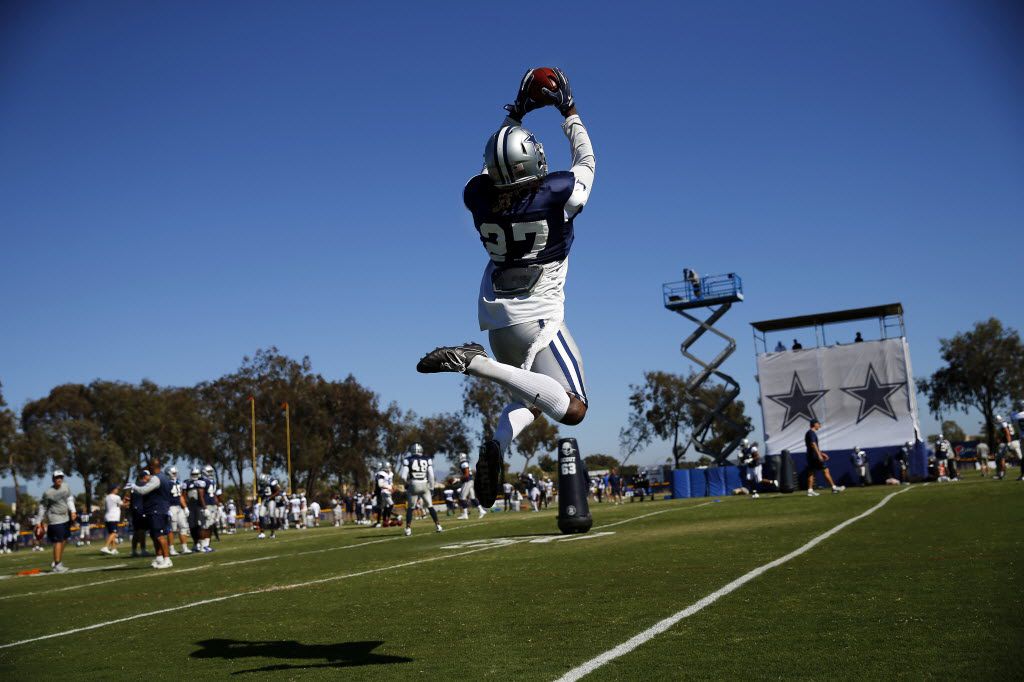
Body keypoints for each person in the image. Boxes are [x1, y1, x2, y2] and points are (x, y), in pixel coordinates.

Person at [416, 67, 594, 510]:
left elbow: (488, 164)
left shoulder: (477, 197)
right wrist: (568, 111)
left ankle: (497, 443)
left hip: (497, 319)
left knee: (531, 401)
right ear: (533, 162)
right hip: (540, 320)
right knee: (573, 408)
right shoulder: (556, 192)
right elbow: (587, 162)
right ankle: (474, 364)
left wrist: (514, 116)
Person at [131, 457, 175, 569]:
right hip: (159, 509)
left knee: (159, 535)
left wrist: (133, 486)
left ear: (151, 467)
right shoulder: (164, 477)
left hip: (157, 509)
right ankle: (159, 558)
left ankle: (167, 559)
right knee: (155, 535)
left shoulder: (156, 478)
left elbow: (143, 490)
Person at [35, 469, 76, 572]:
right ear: (53, 479)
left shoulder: (66, 486)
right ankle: (57, 564)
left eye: (61, 477)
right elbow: (42, 507)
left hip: (66, 517)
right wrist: (38, 522)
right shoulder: (48, 493)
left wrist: (73, 511)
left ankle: (57, 561)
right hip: (55, 518)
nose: (59, 479)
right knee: (58, 541)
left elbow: (69, 498)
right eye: (57, 477)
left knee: (65, 540)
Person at [400, 443, 443, 536]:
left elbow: (403, 476)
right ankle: (438, 525)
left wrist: (406, 484)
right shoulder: (427, 459)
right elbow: (431, 475)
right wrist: (431, 488)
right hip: (424, 483)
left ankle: (408, 528)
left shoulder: (408, 460)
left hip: (414, 483)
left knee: (411, 508)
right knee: (430, 506)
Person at [804, 419, 844, 496]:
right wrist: (819, 455)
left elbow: (812, 446)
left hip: (810, 456)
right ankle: (834, 487)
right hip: (815, 457)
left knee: (811, 473)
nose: (820, 425)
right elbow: (813, 444)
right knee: (826, 470)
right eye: (818, 424)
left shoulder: (809, 433)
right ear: (814, 424)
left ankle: (810, 490)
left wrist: (821, 453)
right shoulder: (811, 433)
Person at [166, 466, 192, 555]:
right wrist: (167, 508)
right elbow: (164, 498)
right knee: (172, 529)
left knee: (184, 527)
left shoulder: (177, 482)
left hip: (179, 507)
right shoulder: (166, 484)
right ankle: (171, 549)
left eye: (176, 473)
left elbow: (180, 496)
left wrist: (185, 507)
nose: (175, 475)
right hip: (171, 507)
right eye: (173, 473)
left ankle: (184, 547)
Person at [456, 454, 486, 519]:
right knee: (472, 498)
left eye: (459, 457)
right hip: (470, 481)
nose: (458, 458)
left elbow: (466, 475)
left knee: (462, 498)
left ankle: (465, 514)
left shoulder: (464, 463)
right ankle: (481, 510)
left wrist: (458, 479)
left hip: (468, 482)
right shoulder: (465, 462)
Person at [374, 462, 394, 528]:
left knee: (386, 507)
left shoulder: (391, 474)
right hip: (384, 491)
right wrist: (388, 488)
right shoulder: (381, 474)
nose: (390, 468)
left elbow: (391, 483)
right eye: (389, 467)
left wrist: (392, 488)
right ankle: (388, 519)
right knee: (391, 504)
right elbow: (380, 485)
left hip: (388, 491)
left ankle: (385, 521)